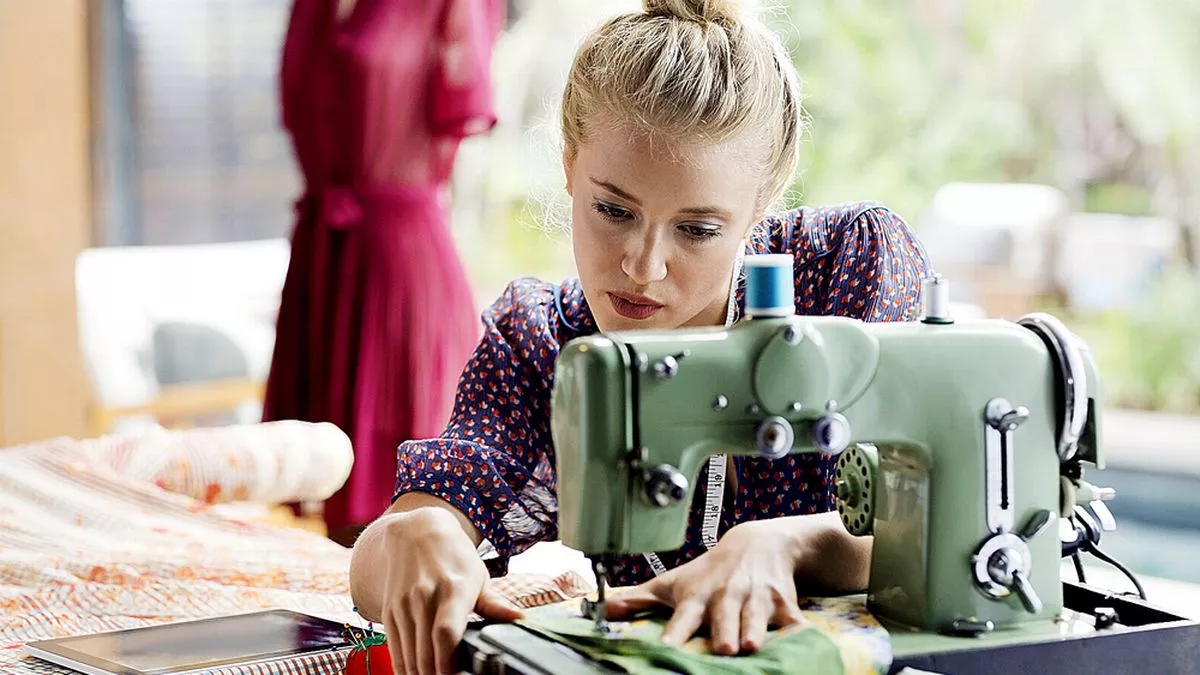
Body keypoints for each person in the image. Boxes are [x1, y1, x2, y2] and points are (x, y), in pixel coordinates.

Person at [349, 0, 933, 672]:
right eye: (613, 209)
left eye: (697, 230)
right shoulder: (541, 345)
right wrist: (415, 536)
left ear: (763, 199)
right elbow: (381, 561)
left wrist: (788, 544)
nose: (643, 266)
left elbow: (930, 527)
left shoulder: (846, 270)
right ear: (569, 164)